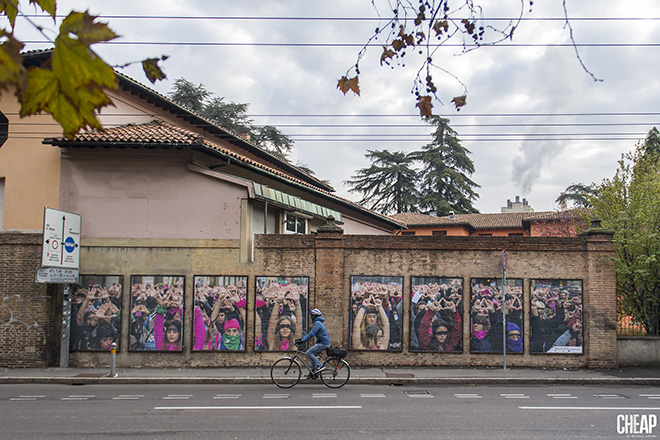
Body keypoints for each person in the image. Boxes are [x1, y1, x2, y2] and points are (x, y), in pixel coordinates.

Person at [296, 308, 330, 374]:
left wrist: (303, 340)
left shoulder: (317, 323)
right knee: (312, 354)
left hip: (323, 343)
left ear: (314, 316)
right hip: (322, 343)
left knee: (308, 352)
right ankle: (313, 372)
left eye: (312, 316)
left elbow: (311, 334)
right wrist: (302, 339)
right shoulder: (319, 322)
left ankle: (320, 365)